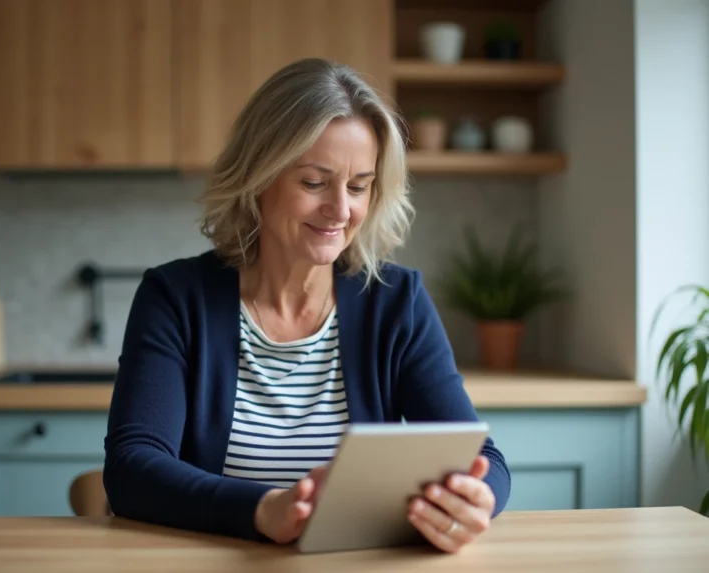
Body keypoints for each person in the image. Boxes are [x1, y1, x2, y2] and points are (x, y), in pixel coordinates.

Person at [103, 57, 511, 553]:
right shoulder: (174, 297)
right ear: (259, 178)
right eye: (314, 183)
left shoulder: (396, 302)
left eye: (359, 186)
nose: (341, 209)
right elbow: (133, 468)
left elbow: (481, 455)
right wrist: (261, 509)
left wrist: (476, 498)